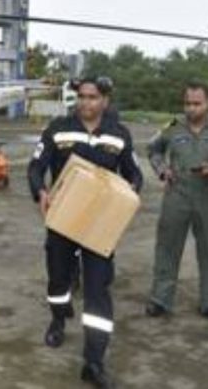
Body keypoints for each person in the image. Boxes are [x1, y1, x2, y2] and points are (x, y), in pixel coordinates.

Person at [28, 76, 143, 389]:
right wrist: (40, 191)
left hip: (98, 226)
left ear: (105, 100)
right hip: (63, 220)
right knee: (58, 277)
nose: (85, 103)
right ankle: (58, 317)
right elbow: (36, 166)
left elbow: (134, 173)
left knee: (98, 289)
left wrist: (130, 191)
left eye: (92, 97)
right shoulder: (58, 128)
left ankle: (94, 360)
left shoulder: (119, 135)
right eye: (81, 97)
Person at [145, 82, 208, 322]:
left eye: (197, 103)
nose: (191, 109)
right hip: (177, 195)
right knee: (167, 248)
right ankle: (160, 300)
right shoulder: (173, 127)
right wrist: (162, 169)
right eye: (187, 103)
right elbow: (153, 149)